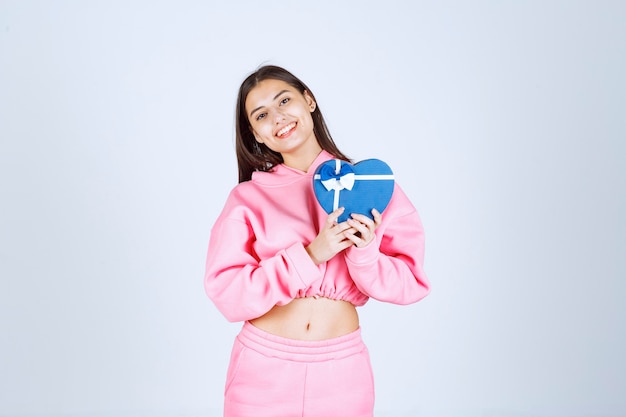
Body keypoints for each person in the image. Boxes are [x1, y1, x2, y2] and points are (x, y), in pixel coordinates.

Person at [204, 65, 430, 417]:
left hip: (341, 376)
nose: (278, 118)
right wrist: (310, 255)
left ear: (308, 101)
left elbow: (411, 283)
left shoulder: (372, 185)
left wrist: (365, 252)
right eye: (261, 115)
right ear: (256, 134)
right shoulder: (247, 199)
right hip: (262, 373)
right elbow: (228, 295)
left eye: (285, 101)